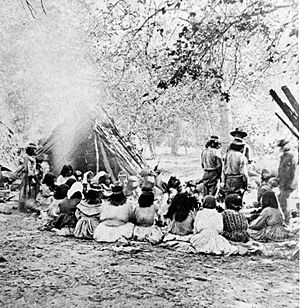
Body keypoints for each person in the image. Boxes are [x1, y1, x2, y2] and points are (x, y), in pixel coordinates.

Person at [277, 139, 296, 224]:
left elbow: (292, 171)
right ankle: (284, 218)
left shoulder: (291, 155)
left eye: (284, 145)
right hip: (282, 181)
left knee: (286, 201)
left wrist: (289, 182)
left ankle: (288, 220)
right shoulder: (283, 156)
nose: (283, 148)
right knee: (282, 200)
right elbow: (281, 169)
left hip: (288, 182)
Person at [18, 143, 40, 213]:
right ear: (30, 150)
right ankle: (26, 207)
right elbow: (28, 169)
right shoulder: (27, 158)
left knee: (29, 191)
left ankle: (29, 206)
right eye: (34, 150)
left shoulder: (31, 157)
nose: (35, 151)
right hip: (28, 176)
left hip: (30, 175)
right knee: (27, 190)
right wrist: (33, 176)